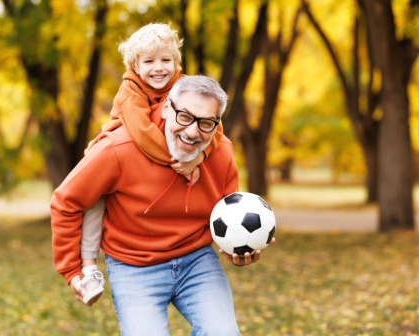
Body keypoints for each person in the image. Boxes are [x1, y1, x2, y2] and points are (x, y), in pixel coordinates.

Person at [51, 75, 274, 335]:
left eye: (206, 123)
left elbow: (226, 214)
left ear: (217, 124)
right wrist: (71, 269)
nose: (193, 132)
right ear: (167, 107)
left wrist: (236, 250)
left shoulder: (221, 152)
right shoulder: (118, 148)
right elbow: (66, 200)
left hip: (196, 260)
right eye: (185, 116)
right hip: (133, 265)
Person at [76, 23, 224, 304]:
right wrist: (177, 160)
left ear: (176, 62)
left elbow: (215, 125)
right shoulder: (130, 90)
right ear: (134, 65)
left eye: (166, 60)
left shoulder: (184, 87)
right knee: (95, 205)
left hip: (161, 154)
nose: (159, 68)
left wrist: (199, 157)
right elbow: (143, 134)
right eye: (149, 61)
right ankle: (89, 268)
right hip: (119, 153)